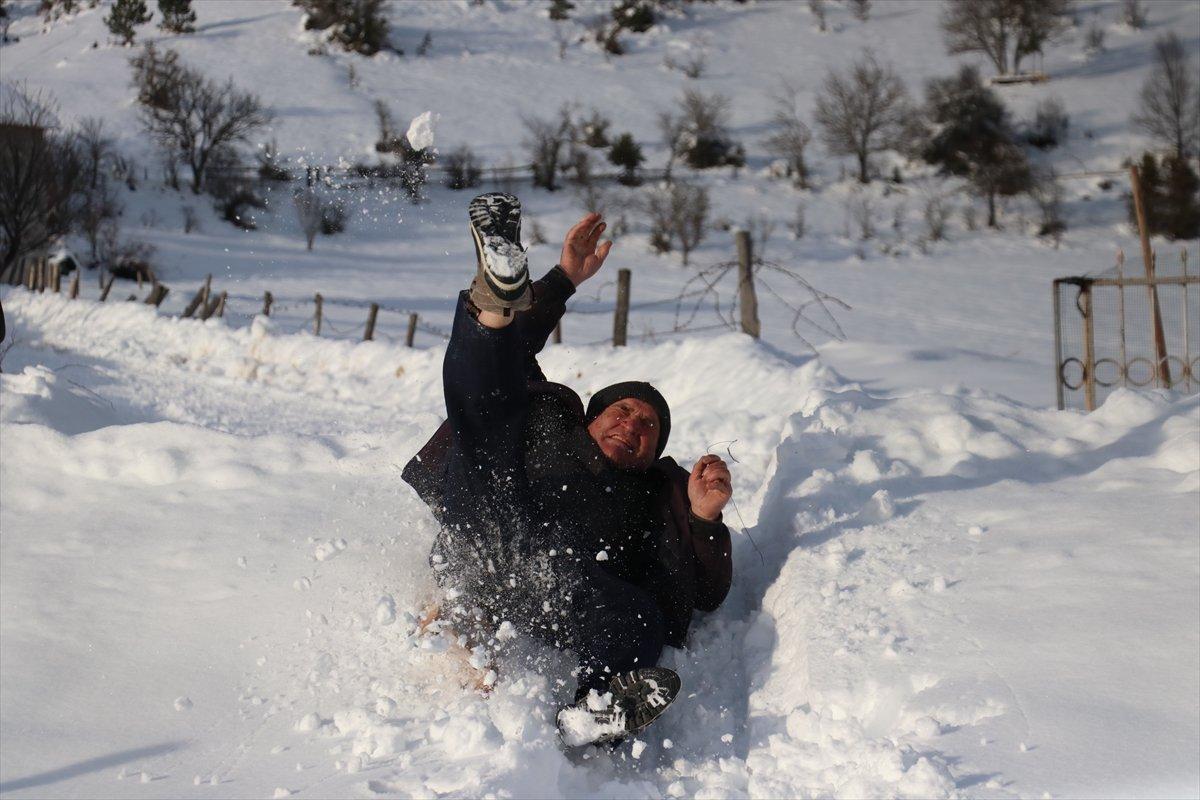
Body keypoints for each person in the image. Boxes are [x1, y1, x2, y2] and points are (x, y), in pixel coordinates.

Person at [402, 193, 733, 743]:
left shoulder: (652, 495)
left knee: (642, 617)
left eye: (648, 426)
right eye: (623, 411)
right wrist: (563, 280)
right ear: (593, 417)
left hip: (562, 586)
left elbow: (701, 595)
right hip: (483, 531)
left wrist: (702, 519)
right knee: (488, 403)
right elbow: (509, 361)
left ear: (654, 453)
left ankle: (591, 713)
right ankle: (495, 299)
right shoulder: (551, 416)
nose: (632, 425)